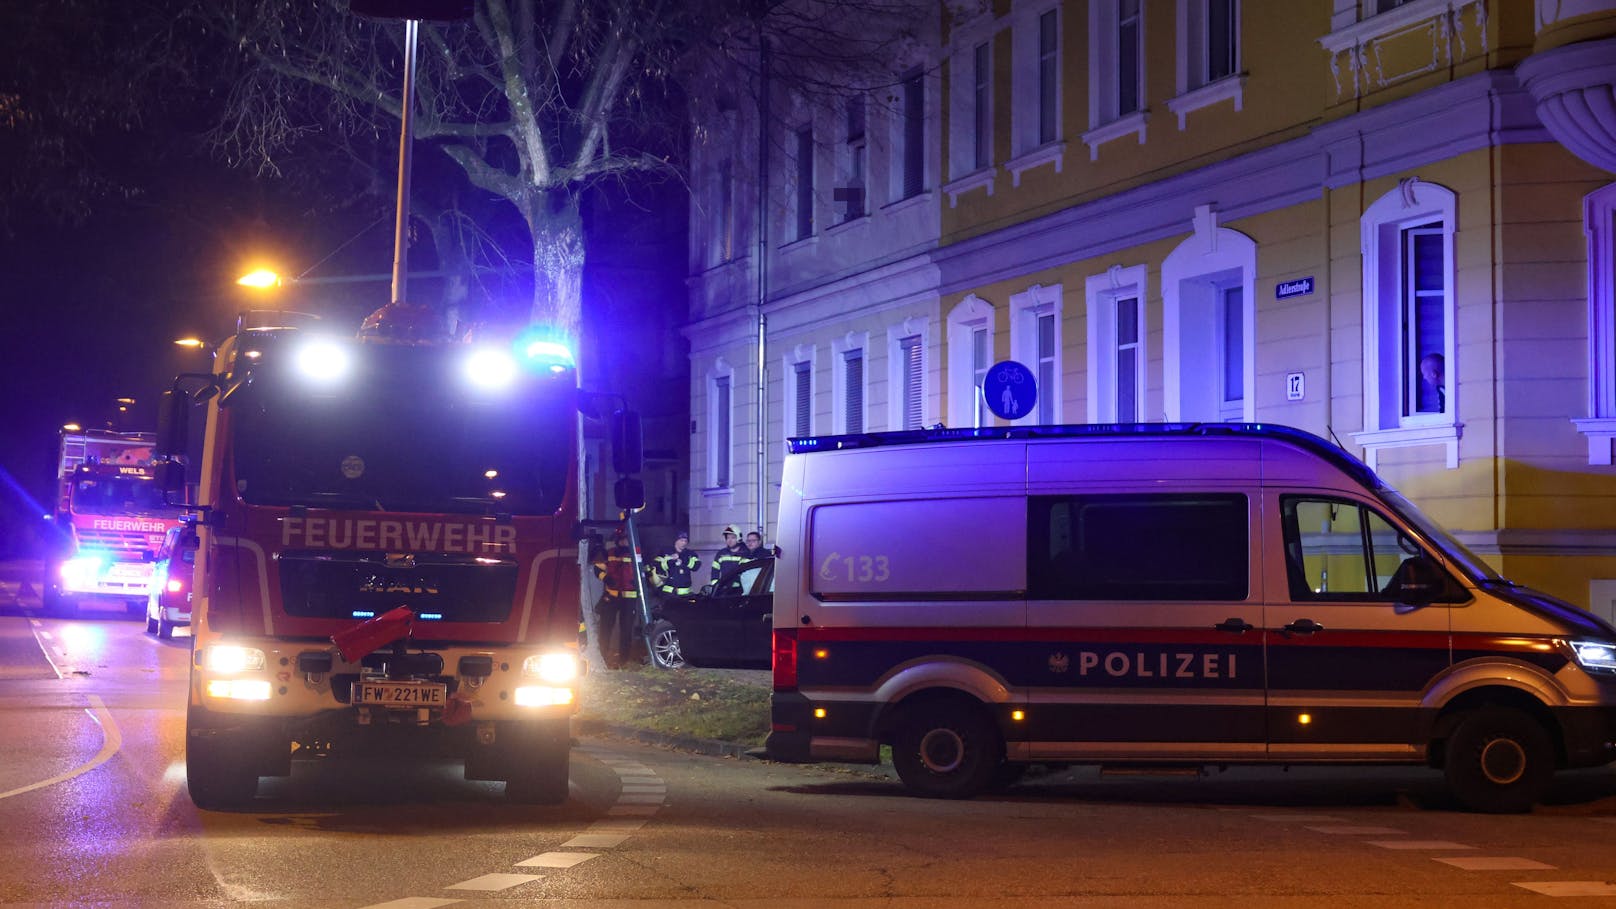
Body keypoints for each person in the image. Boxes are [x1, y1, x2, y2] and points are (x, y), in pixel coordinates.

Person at [590, 522, 641, 668]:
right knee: (605, 628)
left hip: (629, 598)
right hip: (611, 596)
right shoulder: (610, 553)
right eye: (623, 538)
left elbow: (645, 571)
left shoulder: (635, 554)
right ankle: (602, 657)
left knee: (626, 630)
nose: (625, 541)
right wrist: (605, 578)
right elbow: (597, 569)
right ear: (618, 539)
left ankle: (624, 660)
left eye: (627, 539)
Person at [652, 531, 702, 597]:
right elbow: (658, 567)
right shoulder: (665, 552)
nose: (684, 543)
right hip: (668, 593)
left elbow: (696, 566)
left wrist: (683, 559)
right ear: (676, 541)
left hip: (686, 594)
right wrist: (671, 561)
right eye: (681, 540)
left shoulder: (690, 554)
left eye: (685, 541)